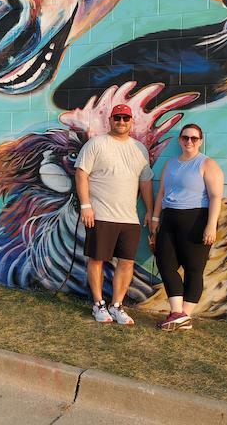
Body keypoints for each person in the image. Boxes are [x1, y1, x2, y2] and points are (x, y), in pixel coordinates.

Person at [75, 103, 153, 325]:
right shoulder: (96, 144)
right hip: (100, 215)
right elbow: (81, 174)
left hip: (129, 218)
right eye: (117, 118)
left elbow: (145, 181)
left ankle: (117, 305)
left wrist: (149, 210)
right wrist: (85, 206)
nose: (121, 122)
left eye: (125, 118)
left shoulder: (140, 149)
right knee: (97, 259)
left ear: (131, 122)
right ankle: (99, 304)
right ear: (110, 120)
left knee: (127, 262)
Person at [150, 123, 224, 331]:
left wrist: (211, 226)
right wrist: (155, 219)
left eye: (194, 138)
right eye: (185, 138)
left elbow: (216, 197)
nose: (189, 141)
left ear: (200, 141)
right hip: (170, 218)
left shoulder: (207, 164)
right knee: (164, 262)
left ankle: (184, 315)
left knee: (193, 268)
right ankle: (177, 313)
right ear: (180, 140)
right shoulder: (171, 163)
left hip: (197, 219)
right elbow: (162, 192)